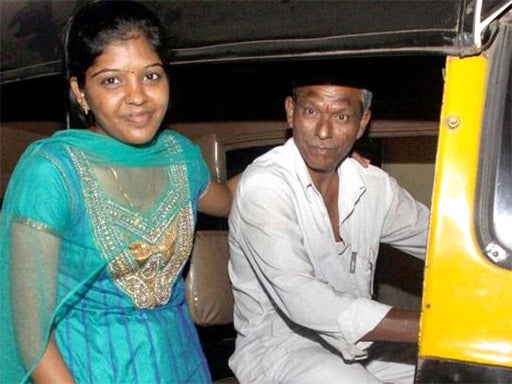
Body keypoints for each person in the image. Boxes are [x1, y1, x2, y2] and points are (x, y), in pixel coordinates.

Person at [0, 1, 236, 383]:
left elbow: (231, 200)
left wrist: (308, 160)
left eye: (151, 76)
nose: (137, 96)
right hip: (89, 368)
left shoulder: (180, 156)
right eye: (112, 80)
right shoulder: (53, 172)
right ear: (80, 91)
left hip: (181, 363)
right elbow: (30, 335)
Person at [228, 68, 430, 383]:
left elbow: (442, 243)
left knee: (456, 369)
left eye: (342, 117)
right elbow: (304, 300)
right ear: (290, 112)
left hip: (359, 347)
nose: (323, 132)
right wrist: (433, 326)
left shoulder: (372, 186)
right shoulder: (265, 185)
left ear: (362, 123)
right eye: (311, 112)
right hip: (278, 349)